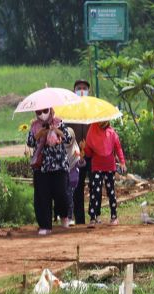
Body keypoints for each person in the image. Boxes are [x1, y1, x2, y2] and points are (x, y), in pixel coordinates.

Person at [27, 107, 72, 235]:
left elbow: (68, 138)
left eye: (45, 111)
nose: (42, 114)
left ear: (51, 110)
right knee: (42, 196)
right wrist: (40, 134)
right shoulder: (35, 126)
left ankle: (64, 215)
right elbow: (30, 142)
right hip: (41, 166)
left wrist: (55, 130)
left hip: (59, 164)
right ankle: (45, 225)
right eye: (38, 112)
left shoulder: (59, 122)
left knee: (61, 192)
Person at [83, 121, 126, 227]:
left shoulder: (112, 133)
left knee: (111, 191)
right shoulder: (92, 131)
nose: (103, 122)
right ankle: (93, 218)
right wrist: (84, 147)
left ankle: (114, 217)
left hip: (110, 167)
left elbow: (118, 148)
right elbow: (88, 153)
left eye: (105, 120)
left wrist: (122, 162)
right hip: (97, 166)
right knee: (95, 191)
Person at [65, 79, 92, 225]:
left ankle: (94, 216)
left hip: (91, 152)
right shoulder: (69, 109)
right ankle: (79, 219)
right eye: (79, 88)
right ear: (73, 90)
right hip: (76, 153)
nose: (82, 90)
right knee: (77, 186)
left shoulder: (93, 107)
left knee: (94, 185)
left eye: (84, 88)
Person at [64, 127, 86, 225]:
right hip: (64, 177)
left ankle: (72, 218)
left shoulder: (76, 148)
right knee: (67, 197)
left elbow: (81, 164)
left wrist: (81, 158)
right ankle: (67, 217)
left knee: (72, 197)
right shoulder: (61, 150)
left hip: (74, 180)